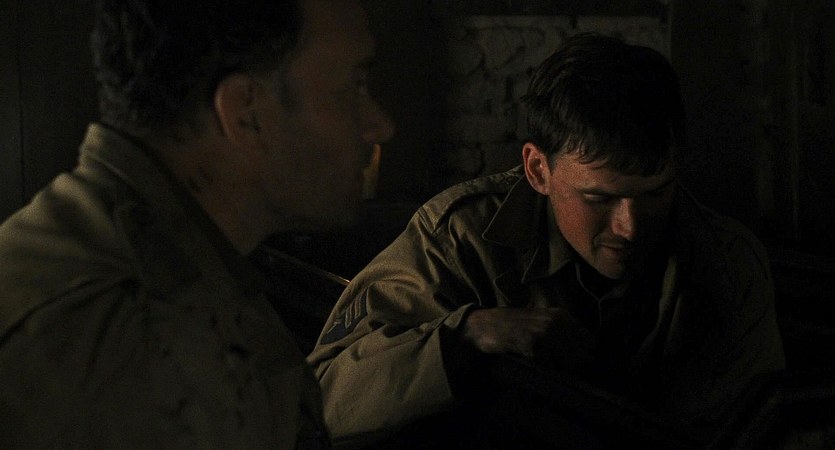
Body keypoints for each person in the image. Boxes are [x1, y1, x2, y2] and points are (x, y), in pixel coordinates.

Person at [307, 34, 785, 448]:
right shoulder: (460, 239)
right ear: (538, 170)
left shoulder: (725, 261)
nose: (630, 227)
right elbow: (319, 402)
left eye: (655, 194)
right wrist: (466, 336)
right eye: (599, 198)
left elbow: (760, 427)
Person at [0, 0, 393, 447]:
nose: (380, 125)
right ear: (245, 111)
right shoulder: (119, 343)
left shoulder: (171, 263)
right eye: (355, 86)